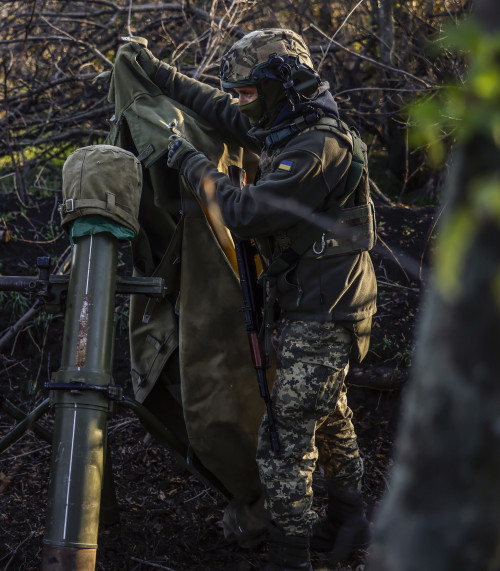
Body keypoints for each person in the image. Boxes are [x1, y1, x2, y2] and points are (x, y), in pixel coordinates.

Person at [136, 29, 377, 570]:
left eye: (249, 91)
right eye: (240, 91)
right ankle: (351, 520)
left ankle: (291, 555)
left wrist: (193, 163)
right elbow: (220, 109)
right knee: (331, 415)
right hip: (318, 302)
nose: (241, 100)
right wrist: (156, 71)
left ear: (280, 85)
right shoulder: (287, 121)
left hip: (326, 311)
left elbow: (243, 216)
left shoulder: (318, 145)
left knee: (283, 443)